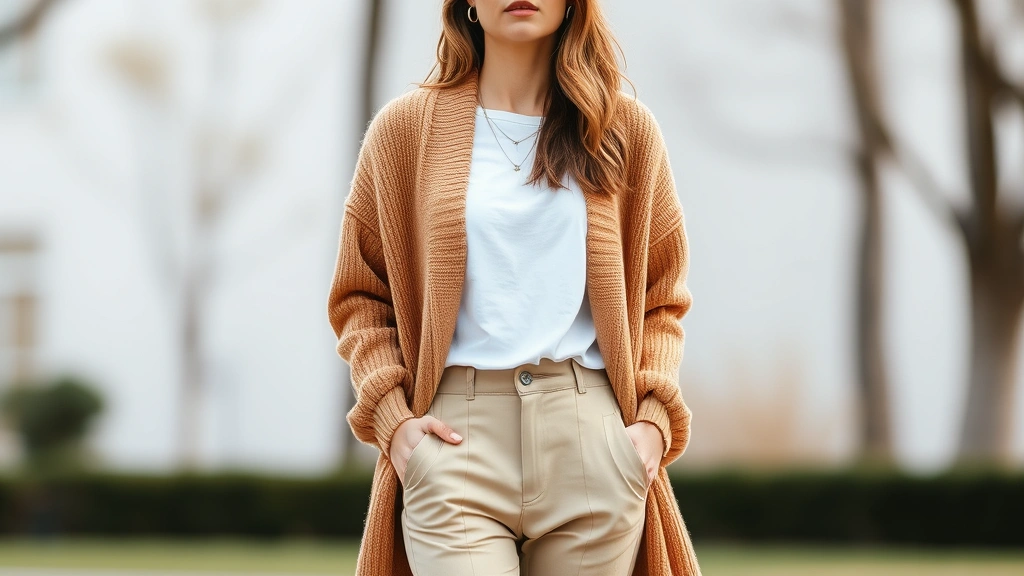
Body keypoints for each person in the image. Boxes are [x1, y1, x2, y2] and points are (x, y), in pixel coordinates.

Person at [327, 1, 701, 574]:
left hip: (591, 444)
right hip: (455, 444)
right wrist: (395, 421)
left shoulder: (623, 129)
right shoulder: (404, 132)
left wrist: (651, 422)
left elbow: (661, 298)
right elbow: (361, 296)